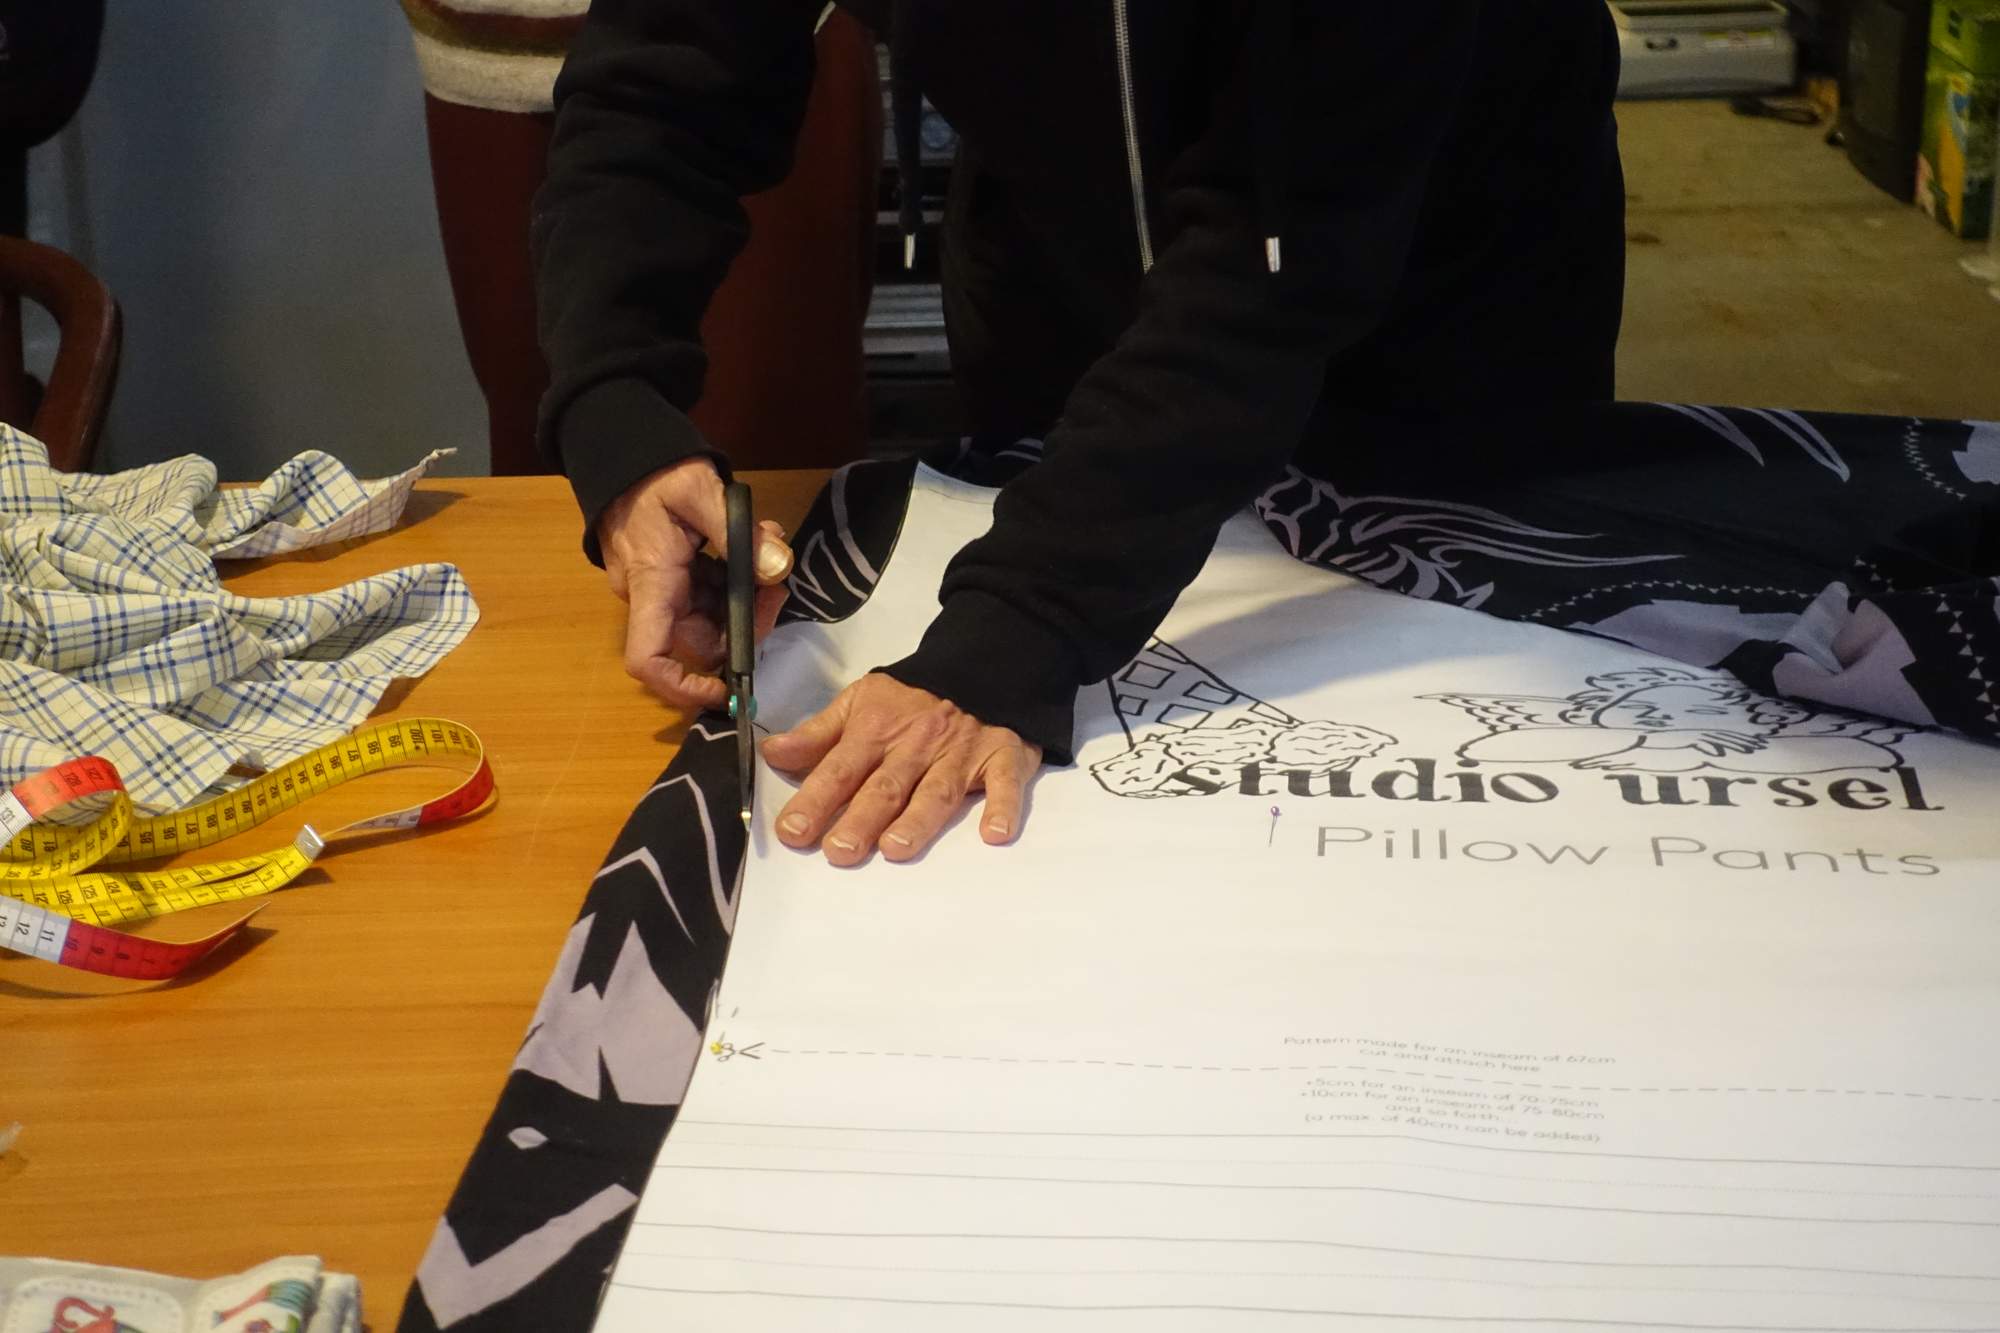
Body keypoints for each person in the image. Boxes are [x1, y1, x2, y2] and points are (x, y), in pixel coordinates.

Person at [534, 0, 1626, 866]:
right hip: (1060, 236)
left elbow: (1275, 270)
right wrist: (616, 411)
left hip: (1439, 269)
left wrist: (1021, 628)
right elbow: (660, 86)